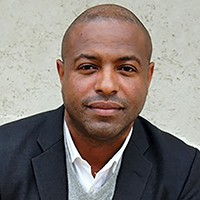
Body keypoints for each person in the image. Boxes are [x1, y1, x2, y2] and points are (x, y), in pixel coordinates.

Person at [0, 3, 200, 200]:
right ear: (62, 73)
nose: (106, 85)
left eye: (126, 68)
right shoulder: (4, 154)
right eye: (88, 67)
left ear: (148, 77)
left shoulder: (185, 172)